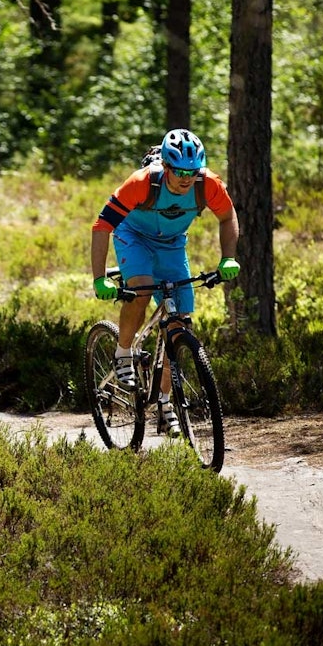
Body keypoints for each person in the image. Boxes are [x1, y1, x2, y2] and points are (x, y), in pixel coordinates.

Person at [90, 128, 239, 436]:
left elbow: (228, 217)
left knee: (179, 326)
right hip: (133, 237)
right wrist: (100, 278)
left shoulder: (208, 184)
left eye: (192, 172)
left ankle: (165, 402)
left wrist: (228, 258)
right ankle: (123, 352)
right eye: (180, 172)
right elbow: (102, 226)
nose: (186, 179)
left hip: (172, 244)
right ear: (166, 167)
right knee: (141, 290)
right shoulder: (141, 183)